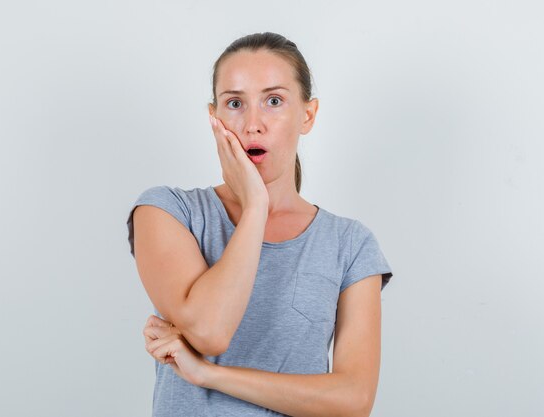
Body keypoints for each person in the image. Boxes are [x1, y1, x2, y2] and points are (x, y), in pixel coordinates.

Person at [126, 32, 393, 417]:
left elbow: (352, 400)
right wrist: (255, 207)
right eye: (234, 103)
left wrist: (208, 374)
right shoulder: (167, 210)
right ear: (214, 117)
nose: (253, 123)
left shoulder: (350, 244)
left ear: (307, 115)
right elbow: (210, 331)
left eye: (273, 101)